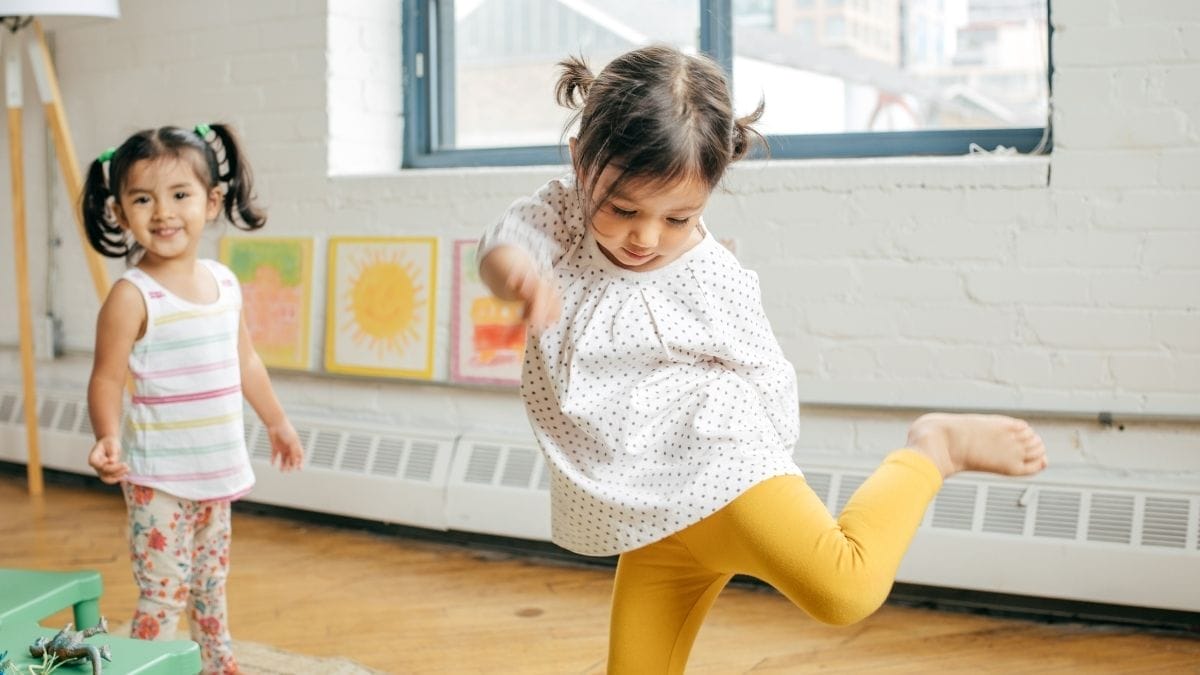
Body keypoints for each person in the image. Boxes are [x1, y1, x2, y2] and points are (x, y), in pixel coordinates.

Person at [477, 45, 1048, 674]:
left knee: (846, 589)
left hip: (723, 469)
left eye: (678, 217)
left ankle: (933, 449)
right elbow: (502, 247)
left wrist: (772, 474)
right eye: (623, 210)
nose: (645, 237)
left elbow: (763, 372)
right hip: (648, 512)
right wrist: (520, 280)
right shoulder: (560, 218)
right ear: (582, 160)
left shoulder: (714, 276)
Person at [81, 123, 304, 675]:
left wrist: (276, 422)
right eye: (142, 199)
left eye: (179, 195)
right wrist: (107, 436)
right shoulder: (132, 296)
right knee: (163, 594)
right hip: (158, 480)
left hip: (216, 473)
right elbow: (106, 379)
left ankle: (217, 664)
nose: (163, 213)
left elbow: (245, 361)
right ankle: (145, 666)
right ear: (118, 213)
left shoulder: (225, 283)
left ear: (211, 203)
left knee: (209, 585)